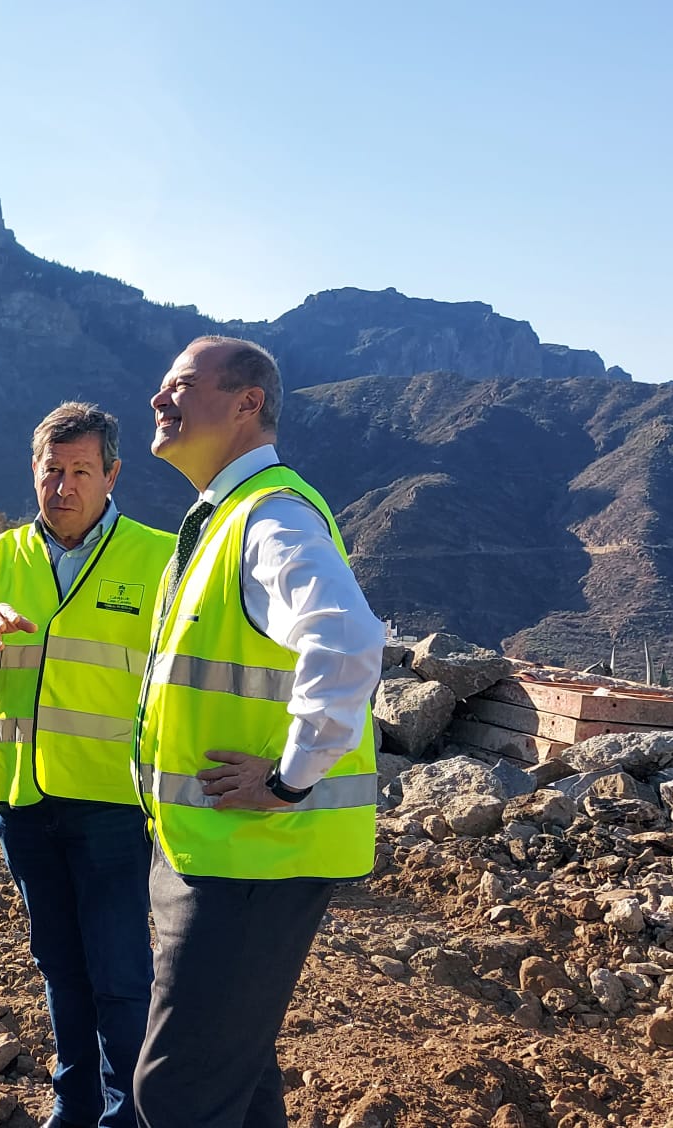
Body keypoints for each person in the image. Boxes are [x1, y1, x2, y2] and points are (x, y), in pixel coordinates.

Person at [131, 337, 384, 1127]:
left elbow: (346, 638)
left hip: (253, 857)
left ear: (247, 404)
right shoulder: (228, 518)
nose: (158, 399)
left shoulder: (269, 517)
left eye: (181, 385)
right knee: (234, 1086)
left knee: (176, 1095)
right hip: (217, 847)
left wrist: (289, 776)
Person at [0, 402, 174, 1128]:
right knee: (62, 971)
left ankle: (129, 1116)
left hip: (114, 805)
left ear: (111, 475)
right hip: (23, 803)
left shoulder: (159, 559)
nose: (63, 486)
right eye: (51, 471)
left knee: (123, 976)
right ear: (33, 473)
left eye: (80, 472)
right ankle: (74, 1110)